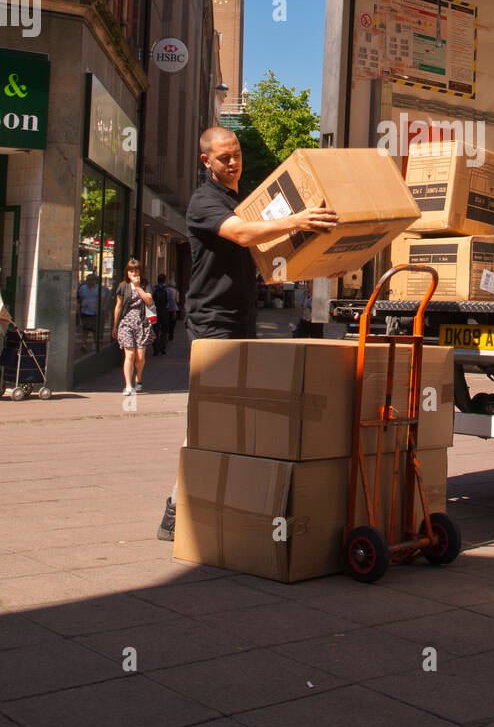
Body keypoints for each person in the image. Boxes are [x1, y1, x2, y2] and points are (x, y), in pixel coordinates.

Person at [157, 126, 339, 539]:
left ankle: (223, 501)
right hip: (211, 322)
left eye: (236, 153)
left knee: (235, 414)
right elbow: (241, 234)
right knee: (209, 416)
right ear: (206, 161)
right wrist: (297, 219)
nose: (234, 161)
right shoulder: (205, 200)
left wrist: (324, 261)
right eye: (224, 157)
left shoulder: (240, 199)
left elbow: (265, 256)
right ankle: (175, 506)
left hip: (240, 320)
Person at [112, 259, 155, 396]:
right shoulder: (123, 286)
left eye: (136, 270)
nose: (134, 273)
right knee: (129, 354)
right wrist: (115, 325)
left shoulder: (145, 284)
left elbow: (149, 300)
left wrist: (137, 287)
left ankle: (139, 376)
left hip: (142, 323)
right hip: (126, 322)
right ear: (127, 272)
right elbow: (118, 306)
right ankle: (128, 385)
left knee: (140, 357)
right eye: (131, 271)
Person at [77, 273, 99, 347]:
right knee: (85, 329)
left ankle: (95, 344)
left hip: (95, 312)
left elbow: (102, 300)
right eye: (88, 280)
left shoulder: (98, 288)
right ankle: (84, 343)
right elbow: (79, 300)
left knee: (94, 329)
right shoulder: (82, 289)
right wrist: (79, 311)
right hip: (85, 311)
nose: (90, 281)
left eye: (92, 280)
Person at [151, 273, 170, 356]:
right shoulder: (168, 290)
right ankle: (162, 347)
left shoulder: (153, 289)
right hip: (165, 312)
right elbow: (171, 302)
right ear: (165, 280)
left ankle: (155, 348)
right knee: (164, 330)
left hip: (155, 312)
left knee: (155, 330)